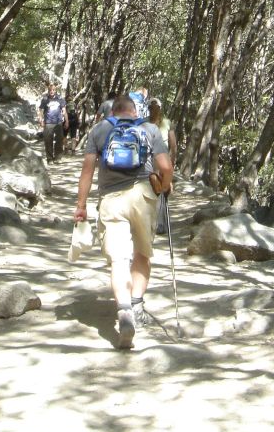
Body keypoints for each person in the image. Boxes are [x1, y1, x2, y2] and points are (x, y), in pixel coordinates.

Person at [74, 93, 173, 349]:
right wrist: (164, 186)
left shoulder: (99, 130)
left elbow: (87, 172)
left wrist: (81, 206)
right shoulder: (150, 129)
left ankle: (125, 311)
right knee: (142, 253)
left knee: (119, 260)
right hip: (143, 197)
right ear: (135, 112)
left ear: (112, 112)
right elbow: (166, 167)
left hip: (111, 200)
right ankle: (137, 303)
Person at [147, 98, 177, 235]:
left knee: (160, 189)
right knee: (155, 188)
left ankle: (159, 222)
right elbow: (173, 146)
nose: (153, 109)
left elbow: (173, 145)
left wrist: (172, 161)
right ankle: (155, 221)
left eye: (155, 107)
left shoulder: (166, 123)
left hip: (159, 158)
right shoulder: (146, 123)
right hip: (153, 159)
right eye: (152, 107)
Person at [38, 82, 68, 163]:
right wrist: (40, 120)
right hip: (48, 122)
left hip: (58, 122)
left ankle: (58, 158)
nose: (52, 91)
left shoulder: (60, 99)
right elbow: (41, 110)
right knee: (48, 141)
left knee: (59, 140)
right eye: (50, 90)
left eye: (53, 90)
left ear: (55, 90)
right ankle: (50, 158)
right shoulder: (45, 99)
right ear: (48, 90)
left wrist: (66, 121)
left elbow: (64, 110)